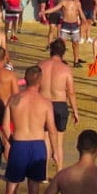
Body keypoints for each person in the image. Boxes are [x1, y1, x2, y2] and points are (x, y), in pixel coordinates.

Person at [0, 66, 57, 194]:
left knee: (12, 185)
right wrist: (55, 151)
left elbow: (6, 126)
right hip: (37, 145)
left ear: (26, 79)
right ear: (40, 80)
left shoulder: (14, 99)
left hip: (19, 144)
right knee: (34, 186)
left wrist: (13, 141)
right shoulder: (45, 102)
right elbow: (51, 129)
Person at [40, 39, 80, 173]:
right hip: (60, 105)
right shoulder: (66, 69)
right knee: (59, 141)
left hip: (44, 104)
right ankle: (59, 172)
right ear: (63, 52)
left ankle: (43, 174)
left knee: (45, 139)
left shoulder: (41, 65)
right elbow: (71, 92)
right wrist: (75, 111)